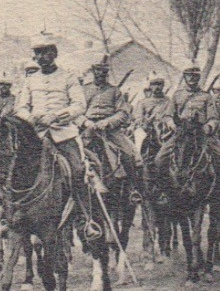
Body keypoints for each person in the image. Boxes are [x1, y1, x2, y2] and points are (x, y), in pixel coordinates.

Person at [17, 36, 98, 229]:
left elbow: (79, 105)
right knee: (14, 167)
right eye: (38, 53)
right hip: (36, 135)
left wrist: (56, 116)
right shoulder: (30, 80)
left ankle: (86, 219)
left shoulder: (68, 77)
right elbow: (21, 108)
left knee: (78, 170)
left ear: (54, 54)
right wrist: (31, 118)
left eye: (46, 52)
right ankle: (11, 215)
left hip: (64, 134)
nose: (42, 57)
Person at [82, 57, 141, 200]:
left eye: (103, 71)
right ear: (93, 71)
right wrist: (85, 122)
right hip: (86, 127)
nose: (100, 74)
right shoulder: (83, 90)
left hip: (110, 130)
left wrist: (108, 122)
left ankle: (133, 188)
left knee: (128, 152)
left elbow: (122, 113)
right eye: (97, 71)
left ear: (106, 73)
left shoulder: (115, 91)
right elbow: (77, 109)